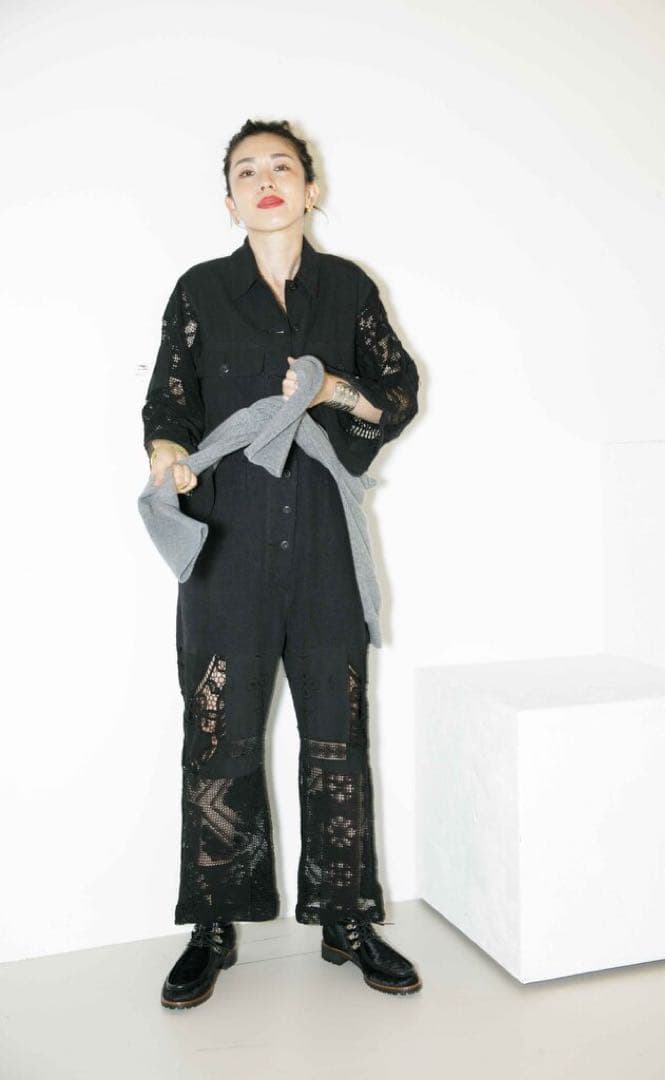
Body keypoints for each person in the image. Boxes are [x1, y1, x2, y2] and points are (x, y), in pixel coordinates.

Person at [142, 119, 421, 1009]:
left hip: (325, 544)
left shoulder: (348, 289)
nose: (265, 181)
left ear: (310, 189)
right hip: (227, 541)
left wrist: (330, 388)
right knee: (217, 734)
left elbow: (397, 393)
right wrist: (166, 459)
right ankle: (213, 923)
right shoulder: (201, 290)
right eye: (245, 172)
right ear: (229, 200)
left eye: (282, 167)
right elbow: (168, 402)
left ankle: (346, 917)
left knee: (338, 732)